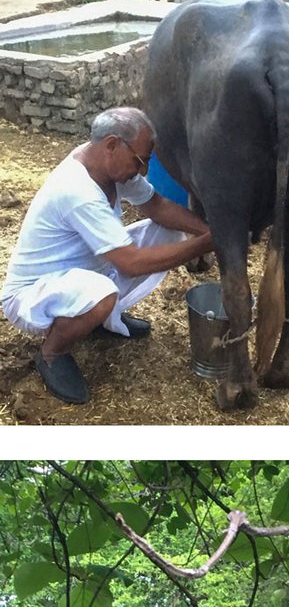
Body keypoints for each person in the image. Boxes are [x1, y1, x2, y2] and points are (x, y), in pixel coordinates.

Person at [1, 106, 213, 405]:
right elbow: (130, 263)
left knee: (167, 231)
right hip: (32, 294)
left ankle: (100, 319)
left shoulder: (104, 163)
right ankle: (52, 353)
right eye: (140, 161)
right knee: (102, 294)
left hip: (84, 273)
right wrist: (204, 245)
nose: (143, 171)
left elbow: (155, 205)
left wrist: (208, 231)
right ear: (112, 144)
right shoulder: (77, 191)